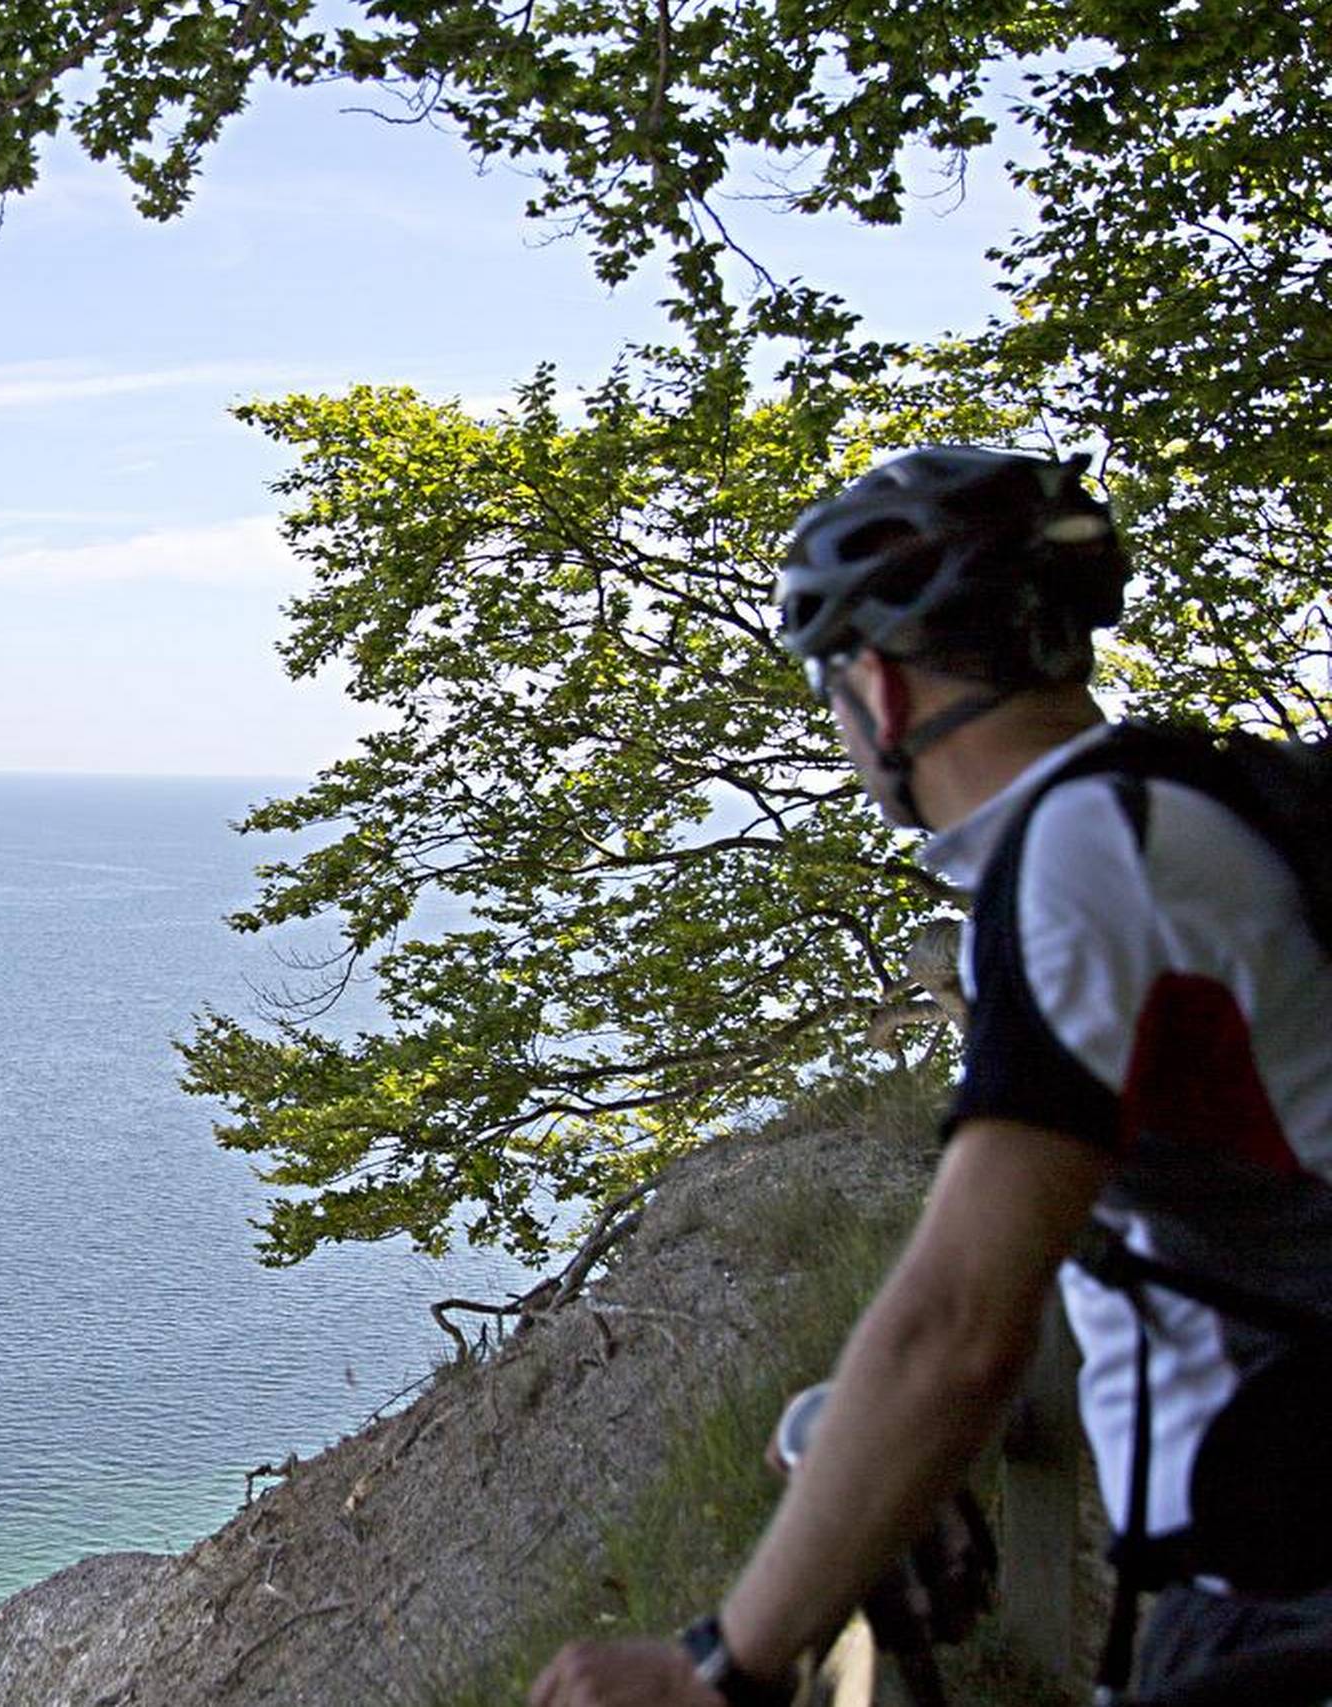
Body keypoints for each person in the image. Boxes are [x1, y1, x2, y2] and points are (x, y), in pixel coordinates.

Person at [529, 446, 1332, 1706]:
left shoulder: (1084, 857)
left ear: (878, 689)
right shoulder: (1193, 802)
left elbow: (956, 1320)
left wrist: (720, 1661)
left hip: (1283, 1582)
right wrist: (885, 1464)